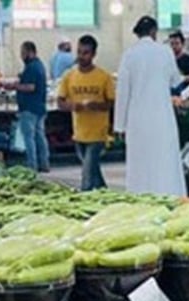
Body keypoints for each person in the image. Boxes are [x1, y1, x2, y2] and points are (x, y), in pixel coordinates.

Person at [114, 16, 185, 197]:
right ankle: (169, 196)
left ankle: (141, 197)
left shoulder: (129, 55)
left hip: (138, 120)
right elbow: (176, 80)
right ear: (154, 31)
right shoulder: (165, 52)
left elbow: (122, 92)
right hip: (162, 117)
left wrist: (119, 126)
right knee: (164, 160)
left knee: (140, 162)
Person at [57, 35, 115, 191]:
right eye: (79, 52)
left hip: (98, 134)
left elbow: (111, 103)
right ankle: (104, 192)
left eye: (86, 53)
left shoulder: (104, 77)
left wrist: (96, 105)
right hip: (79, 133)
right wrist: (72, 106)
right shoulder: (69, 76)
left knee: (87, 173)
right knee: (93, 170)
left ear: (94, 54)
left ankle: (85, 195)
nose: (81, 56)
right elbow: (60, 102)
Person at [10, 41, 49, 172]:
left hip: (29, 108)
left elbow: (30, 87)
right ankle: (44, 163)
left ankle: (32, 165)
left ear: (30, 52)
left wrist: (14, 86)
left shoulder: (32, 67)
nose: (21, 56)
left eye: (23, 53)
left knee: (29, 138)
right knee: (40, 136)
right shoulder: (39, 65)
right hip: (39, 107)